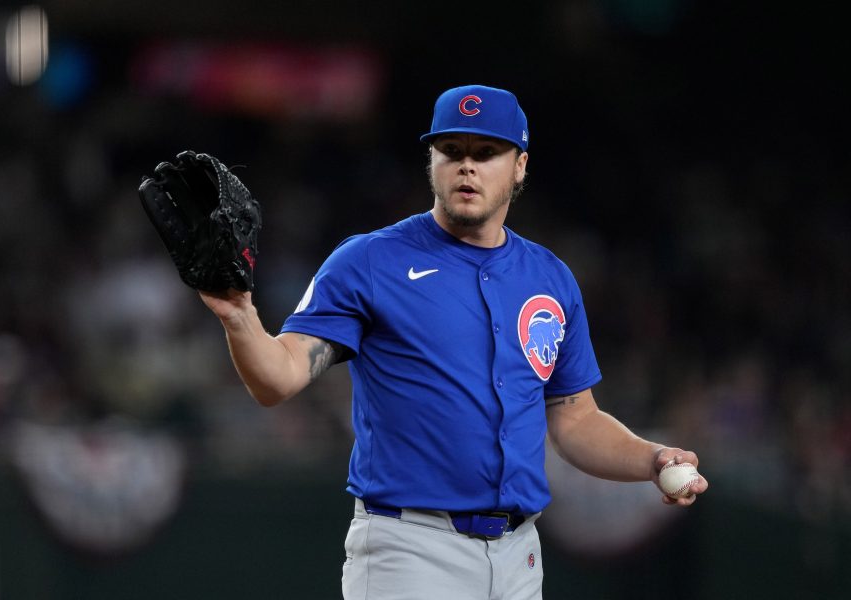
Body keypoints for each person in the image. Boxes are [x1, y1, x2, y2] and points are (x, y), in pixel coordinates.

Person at [198, 84, 708, 600]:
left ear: (520, 166)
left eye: (486, 153)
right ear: (432, 161)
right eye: (452, 151)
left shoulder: (550, 278)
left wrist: (653, 458)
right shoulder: (370, 261)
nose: (467, 166)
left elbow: (575, 419)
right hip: (411, 547)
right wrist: (239, 315)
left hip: (519, 555)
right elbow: (277, 378)